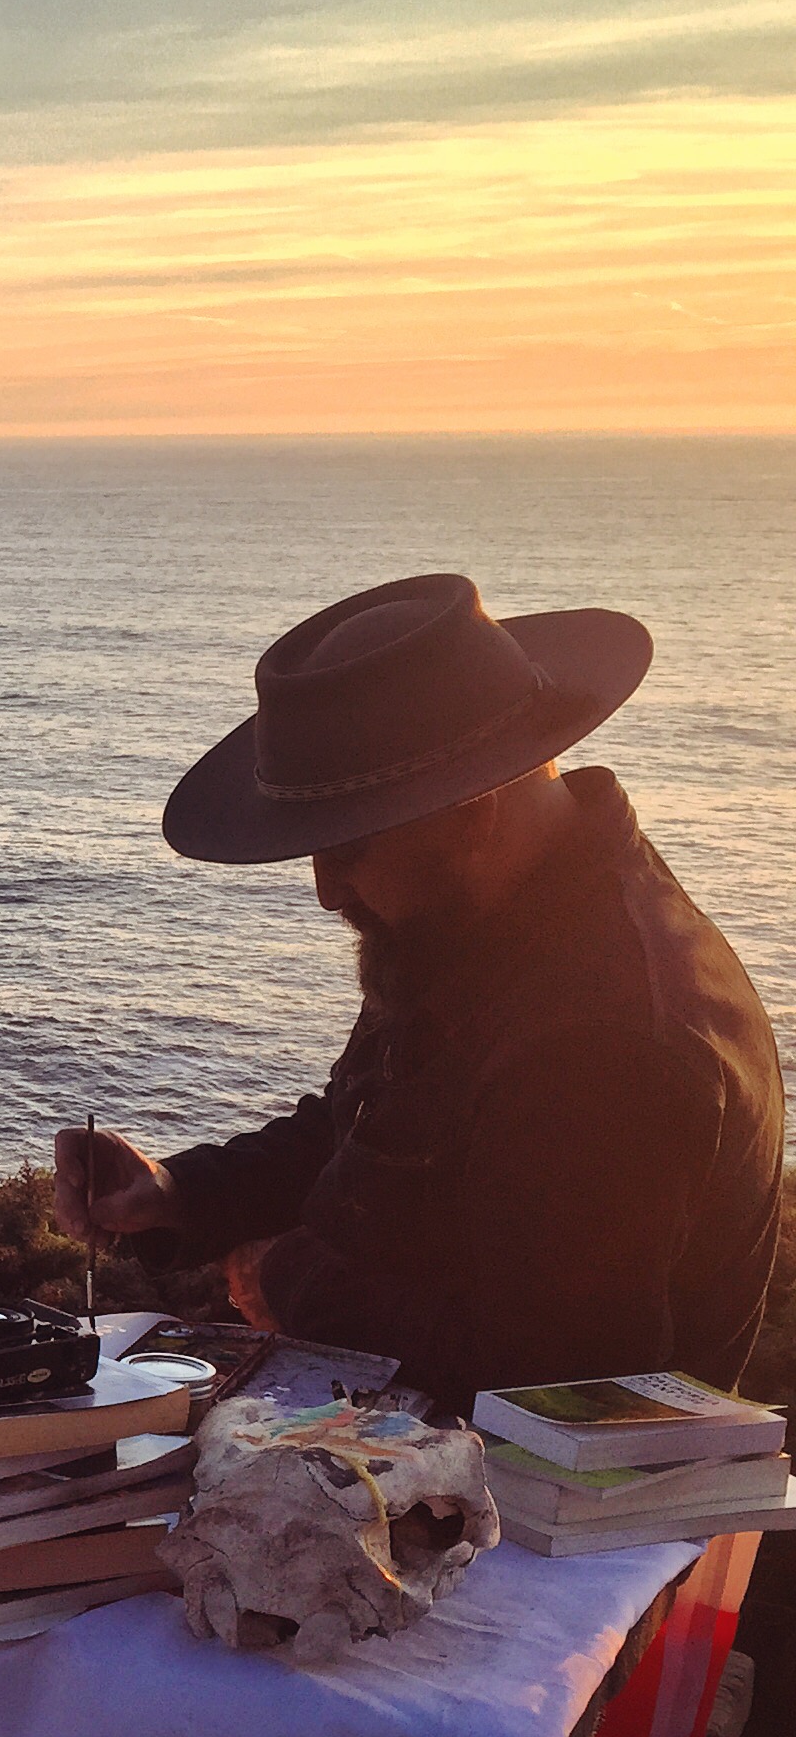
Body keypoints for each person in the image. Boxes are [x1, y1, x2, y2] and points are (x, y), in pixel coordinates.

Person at [54, 572, 782, 1412]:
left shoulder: (607, 1038)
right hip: (404, 1462)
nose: (327, 891)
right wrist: (179, 1194)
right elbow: (366, 1126)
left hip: (547, 1524)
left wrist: (290, 1276)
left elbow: (555, 1374)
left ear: (470, 813)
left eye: (346, 848)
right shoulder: (475, 921)